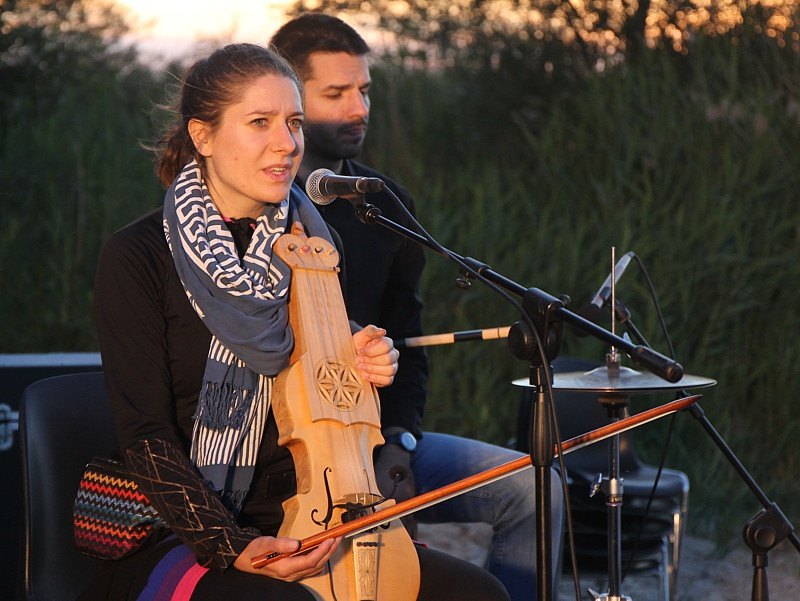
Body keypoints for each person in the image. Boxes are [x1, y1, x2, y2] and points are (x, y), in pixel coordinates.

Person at [86, 43, 509, 600]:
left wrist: (365, 360)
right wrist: (231, 544)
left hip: (317, 514)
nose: (287, 143)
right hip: (186, 527)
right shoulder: (138, 256)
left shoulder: (314, 246)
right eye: (260, 122)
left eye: (294, 123)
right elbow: (146, 437)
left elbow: (329, 394)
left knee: (479, 594)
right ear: (203, 136)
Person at [270, 14, 564, 601]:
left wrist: (401, 440)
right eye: (336, 93)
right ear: (290, 103)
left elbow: (408, 342)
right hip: (291, 452)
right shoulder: (256, 204)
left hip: (380, 443)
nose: (359, 108)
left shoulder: (385, 205)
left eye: (364, 90)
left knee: (538, 488)